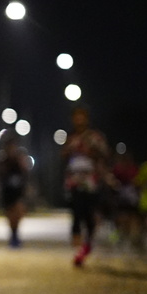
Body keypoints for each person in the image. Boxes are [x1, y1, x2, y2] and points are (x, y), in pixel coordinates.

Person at [60, 107, 110, 267]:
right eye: (76, 117)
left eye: (81, 117)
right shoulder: (70, 137)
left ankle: (88, 243)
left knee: (89, 214)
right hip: (74, 180)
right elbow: (63, 155)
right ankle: (77, 248)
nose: (79, 120)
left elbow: (104, 154)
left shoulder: (95, 136)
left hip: (90, 180)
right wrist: (70, 149)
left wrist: (90, 150)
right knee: (76, 211)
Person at [0, 134, 30, 248]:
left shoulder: (19, 158)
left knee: (18, 212)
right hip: (7, 190)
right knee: (10, 214)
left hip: (18, 191)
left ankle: (16, 234)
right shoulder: (3, 160)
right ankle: (13, 235)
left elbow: (25, 173)